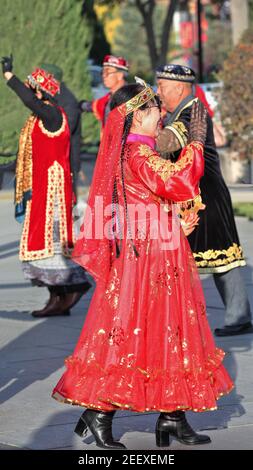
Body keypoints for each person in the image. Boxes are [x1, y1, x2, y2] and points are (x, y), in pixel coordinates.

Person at [52, 79, 233, 449]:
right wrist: (196, 142)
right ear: (135, 119)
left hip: (157, 255)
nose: (161, 115)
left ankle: (173, 417)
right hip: (149, 263)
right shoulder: (138, 154)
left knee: (168, 333)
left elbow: (142, 207)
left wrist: (171, 220)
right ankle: (100, 413)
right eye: (154, 111)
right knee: (137, 334)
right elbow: (178, 180)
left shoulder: (134, 152)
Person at [156, 64, 253, 337]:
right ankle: (230, 316)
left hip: (205, 196)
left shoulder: (192, 112)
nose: (158, 91)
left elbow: (165, 143)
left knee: (220, 256)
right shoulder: (181, 110)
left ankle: (234, 318)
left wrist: (143, 128)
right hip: (194, 194)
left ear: (179, 87)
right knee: (200, 257)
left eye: (162, 86)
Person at [1, 55, 91, 317]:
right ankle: (56, 298)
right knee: (42, 245)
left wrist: (9, 76)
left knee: (52, 244)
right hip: (42, 188)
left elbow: (28, 99)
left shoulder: (52, 114)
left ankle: (74, 287)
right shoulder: (41, 118)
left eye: (33, 88)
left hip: (53, 192)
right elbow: (28, 154)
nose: (30, 92)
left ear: (42, 92)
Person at [40, 63, 82, 197]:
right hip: (50, 161)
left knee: (63, 205)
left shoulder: (68, 101)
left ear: (52, 79)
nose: (38, 80)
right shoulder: (49, 96)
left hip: (64, 162)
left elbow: (64, 130)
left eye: (42, 77)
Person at [79, 55, 128, 129]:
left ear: (120, 75)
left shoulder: (131, 97)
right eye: (103, 72)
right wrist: (82, 105)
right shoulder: (109, 97)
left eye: (107, 72)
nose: (104, 76)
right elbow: (97, 105)